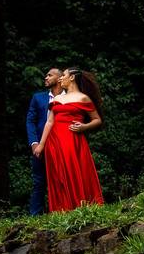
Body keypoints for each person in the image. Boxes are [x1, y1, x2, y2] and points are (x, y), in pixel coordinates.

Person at [33, 67, 104, 212]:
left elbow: (97, 120)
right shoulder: (58, 99)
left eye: (63, 75)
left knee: (75, 171)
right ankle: (61, 209)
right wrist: (41, 145)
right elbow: (50, 122)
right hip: (54, 142)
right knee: (57, 175)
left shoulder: (83, 98)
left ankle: (79, 206)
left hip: (73, 141)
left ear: (71, 77)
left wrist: (84, 127)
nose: (60, 78)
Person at [25, 67, 63, 216]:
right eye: (46, 75)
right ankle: (35, 215)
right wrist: (34, 143)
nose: (46, 77)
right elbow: (30, 120)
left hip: (61, 145)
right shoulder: (38, 98)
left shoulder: (69, 98)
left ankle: (61, 212)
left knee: (61, 179)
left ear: (59, 78)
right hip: (40, 146)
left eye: (50, 75)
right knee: (39, 181)